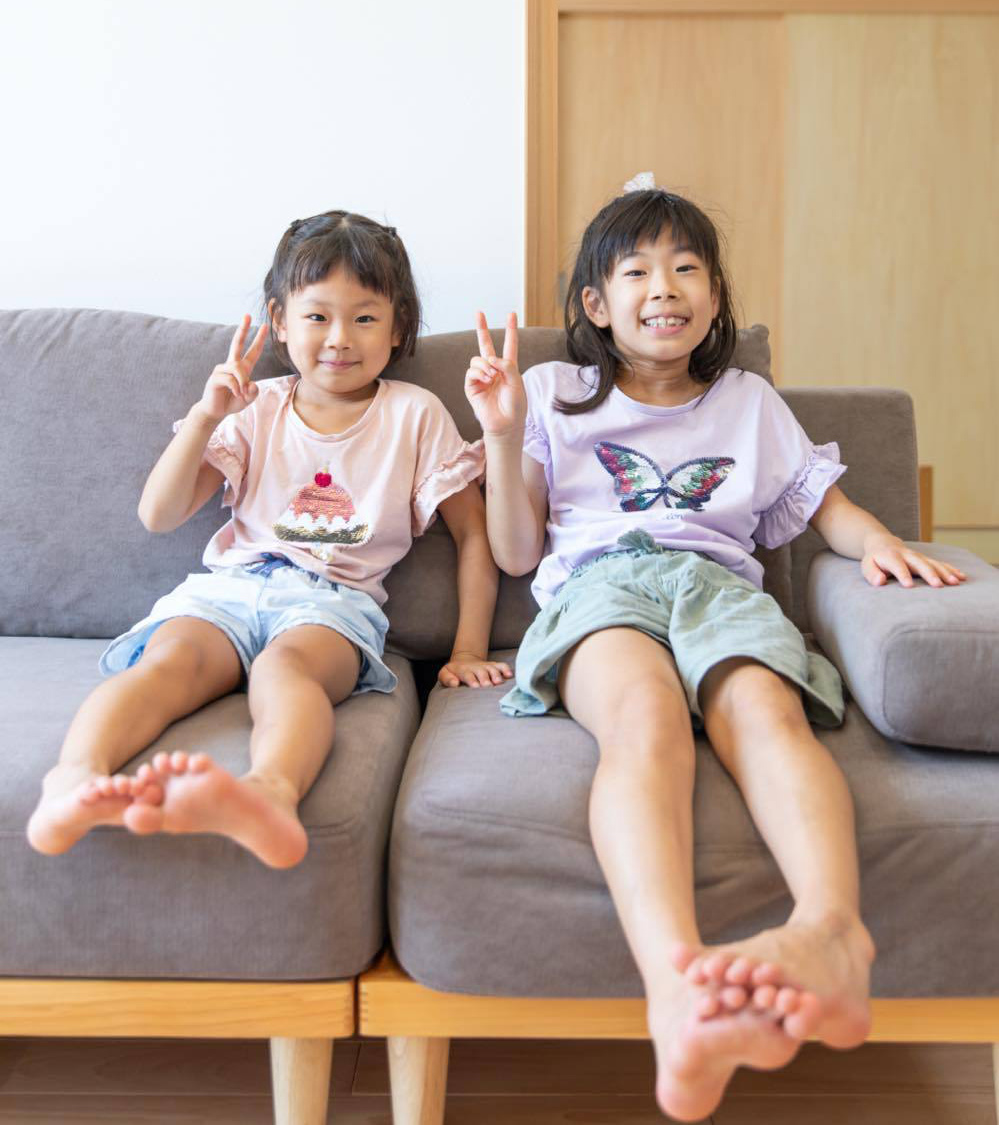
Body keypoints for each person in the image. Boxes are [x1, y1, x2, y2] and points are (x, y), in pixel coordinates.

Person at [465, 181, 965, 1122]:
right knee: (644, 719)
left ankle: (832, 934)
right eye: (638, 271)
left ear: (715, 294)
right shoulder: (551, 393)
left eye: (687, 267)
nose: (665, 286)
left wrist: (880, 544)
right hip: (600, 588)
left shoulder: (747, 400)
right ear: (595, 303)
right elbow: (517, 552)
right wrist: (498, 436)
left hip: (719, 586)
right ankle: (675, 986)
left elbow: (825, 507)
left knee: (766, 712)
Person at [28, 210, 505, 868]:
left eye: (365, 318)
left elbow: (474, 534)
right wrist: (206, 417)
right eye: (317, 316)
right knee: (168, 663)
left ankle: (270, 793)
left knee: (288, 672)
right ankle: (72, 781)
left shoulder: (413, 413)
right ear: (280, 321)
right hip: (229, 588)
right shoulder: (257, 406)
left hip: (332, 603)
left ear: (398, 328)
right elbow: (159, 514)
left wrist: (468, 649)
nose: (339, 338)